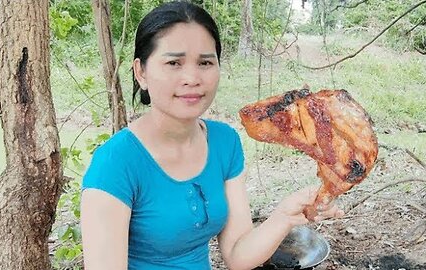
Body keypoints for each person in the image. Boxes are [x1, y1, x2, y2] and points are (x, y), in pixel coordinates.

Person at [80, 1, 343, 270]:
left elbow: (237, 255)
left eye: (205, 62)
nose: (192, 77)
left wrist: (283, 217)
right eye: (174, 62)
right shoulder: (115, 163)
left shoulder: (224, 142)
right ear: (141, 72)